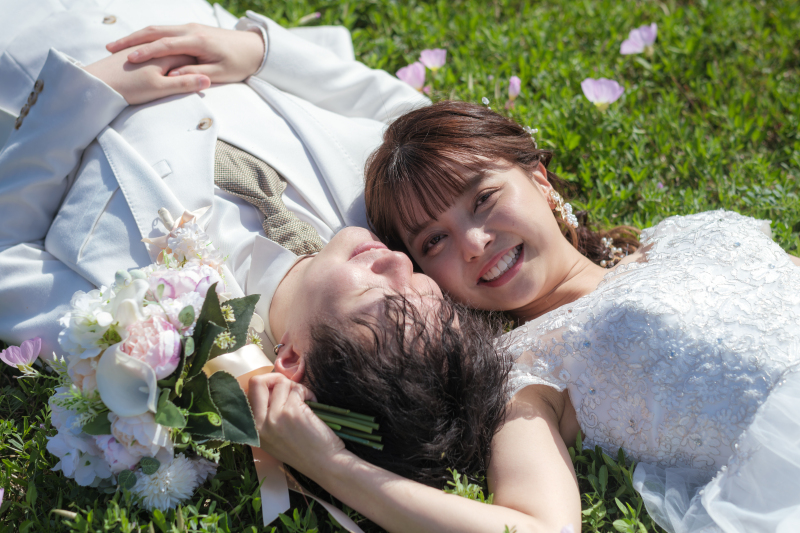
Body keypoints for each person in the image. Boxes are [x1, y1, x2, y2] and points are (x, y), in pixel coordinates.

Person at [351, 100, 799, 531]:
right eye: (434, 241)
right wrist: (330, 464)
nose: (473, 243)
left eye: (483, 198)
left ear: (539, 181)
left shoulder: (684, 234)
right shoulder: (526, 372)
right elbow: (542, 527)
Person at [0, 0, 428, 357]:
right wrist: (258, 51)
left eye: (384, 305)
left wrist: (85, 93)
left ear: (294, 358)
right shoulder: (384, 208)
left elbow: (7, 263)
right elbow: (425, 122)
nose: (400, 262)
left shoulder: (156, 338)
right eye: (433, 293)